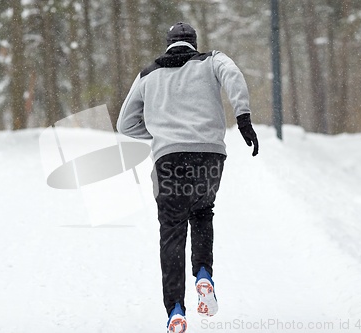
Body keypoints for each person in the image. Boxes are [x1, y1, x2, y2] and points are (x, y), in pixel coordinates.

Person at [116, 22, 259, 333]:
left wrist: (160, 133)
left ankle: (176, 311)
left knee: (171, 232)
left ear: (168, 44)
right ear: (193, 43)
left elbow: (124, 124)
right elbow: (232, 73)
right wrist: (243, 117)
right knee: (202, 212)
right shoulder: (211, 60)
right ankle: (204, 275)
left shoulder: (147, 74)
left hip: (169, 160)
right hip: (209, 156)